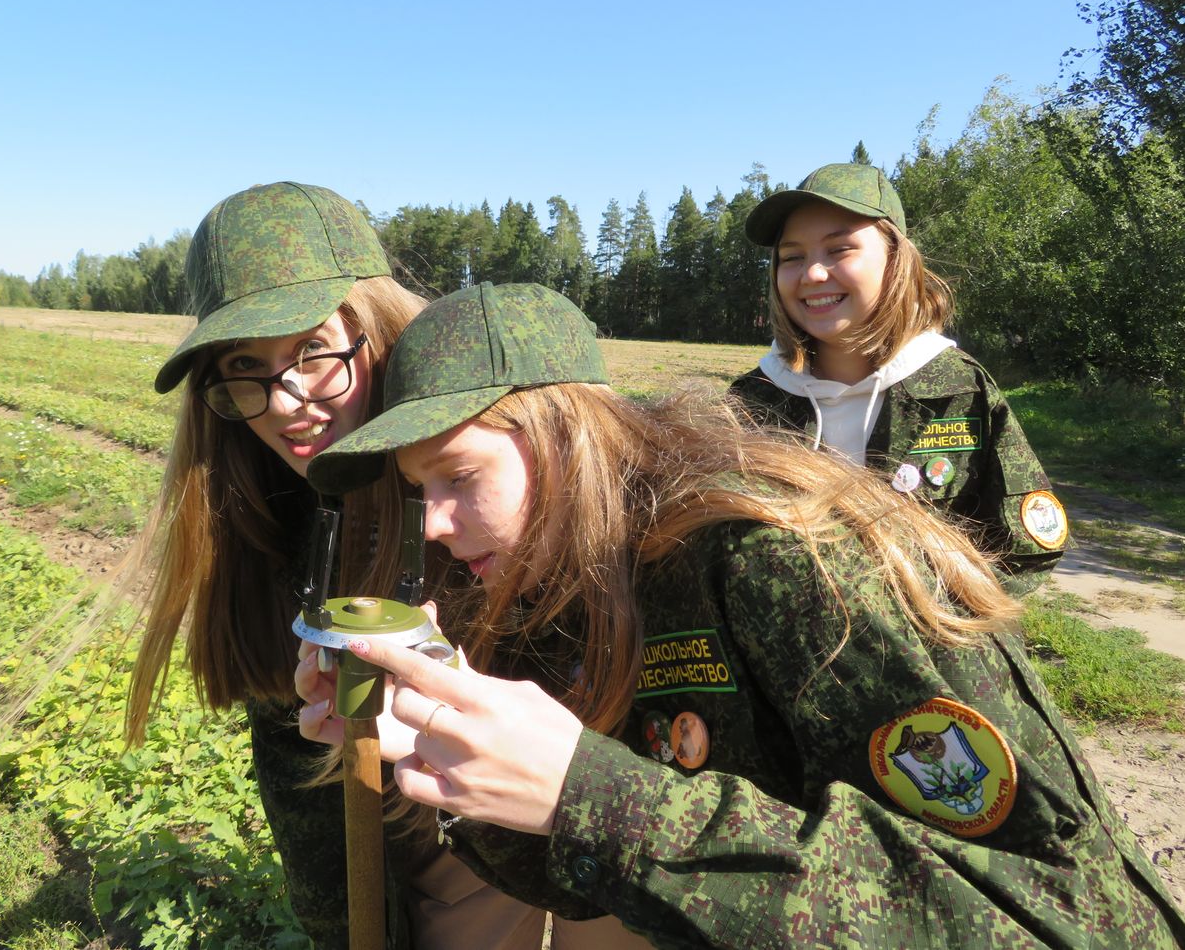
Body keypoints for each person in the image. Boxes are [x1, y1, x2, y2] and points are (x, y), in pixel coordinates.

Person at [297, 281, 1185, 948]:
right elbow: (578, 883)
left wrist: (597, 795)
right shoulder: (558, 586)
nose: (436, 528)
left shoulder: (785, 562)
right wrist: (444, 746)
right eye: (419, 491)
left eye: (458, 476)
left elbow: (1064, 914)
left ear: (565, 438)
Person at [135, 182, 582, 949]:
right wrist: (349, 931)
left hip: (583, 838)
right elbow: (305, 798)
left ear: (377, 328)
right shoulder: (261, 513)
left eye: (312, 349)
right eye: (246, 365)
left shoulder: (493, 464)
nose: (287, 402)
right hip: (432, 855)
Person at [730, 163, 1067, 591]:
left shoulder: (960, 390)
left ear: (897, 260)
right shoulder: (751, 403)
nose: (813, 273)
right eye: (792, 257)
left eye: (839, 250)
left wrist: (934, 629)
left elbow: (1028, 544)